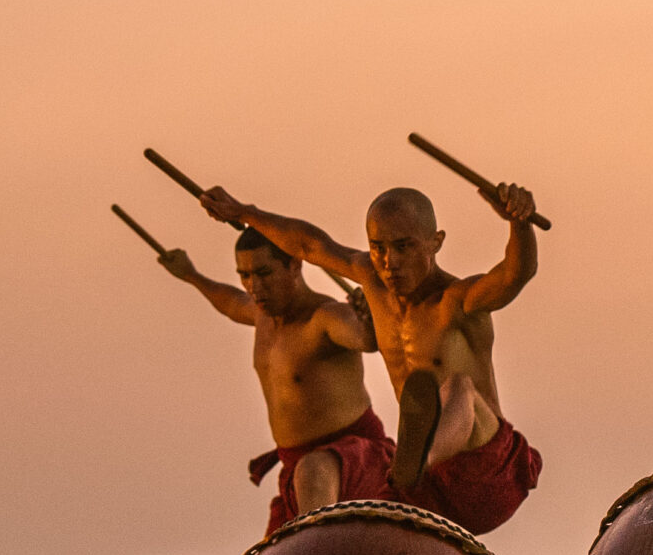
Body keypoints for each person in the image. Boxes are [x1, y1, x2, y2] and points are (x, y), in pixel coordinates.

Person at [193, 179, 546, 536]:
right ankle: (411, 468)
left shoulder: (456, 302)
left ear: (435, 242)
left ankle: (419, 456)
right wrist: (244, 212)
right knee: (359, 540)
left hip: (486, 475)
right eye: (378, 248)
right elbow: (308, 244)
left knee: (458, 389)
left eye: (404, 246)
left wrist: (519, 223)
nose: (390, 262)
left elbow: (515, 274)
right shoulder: (371, 280)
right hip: (426, 494)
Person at [158, 224, 391, 537]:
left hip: (353, 460)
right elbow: (229, 302)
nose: (254, 286)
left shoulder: (326, 317)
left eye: (264, 273)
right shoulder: (261, 316)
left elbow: (366, 339)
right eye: (245, 275)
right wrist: (191, 275)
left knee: (312, 472)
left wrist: (373, 312)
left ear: (294, 265)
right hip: (297, 469)